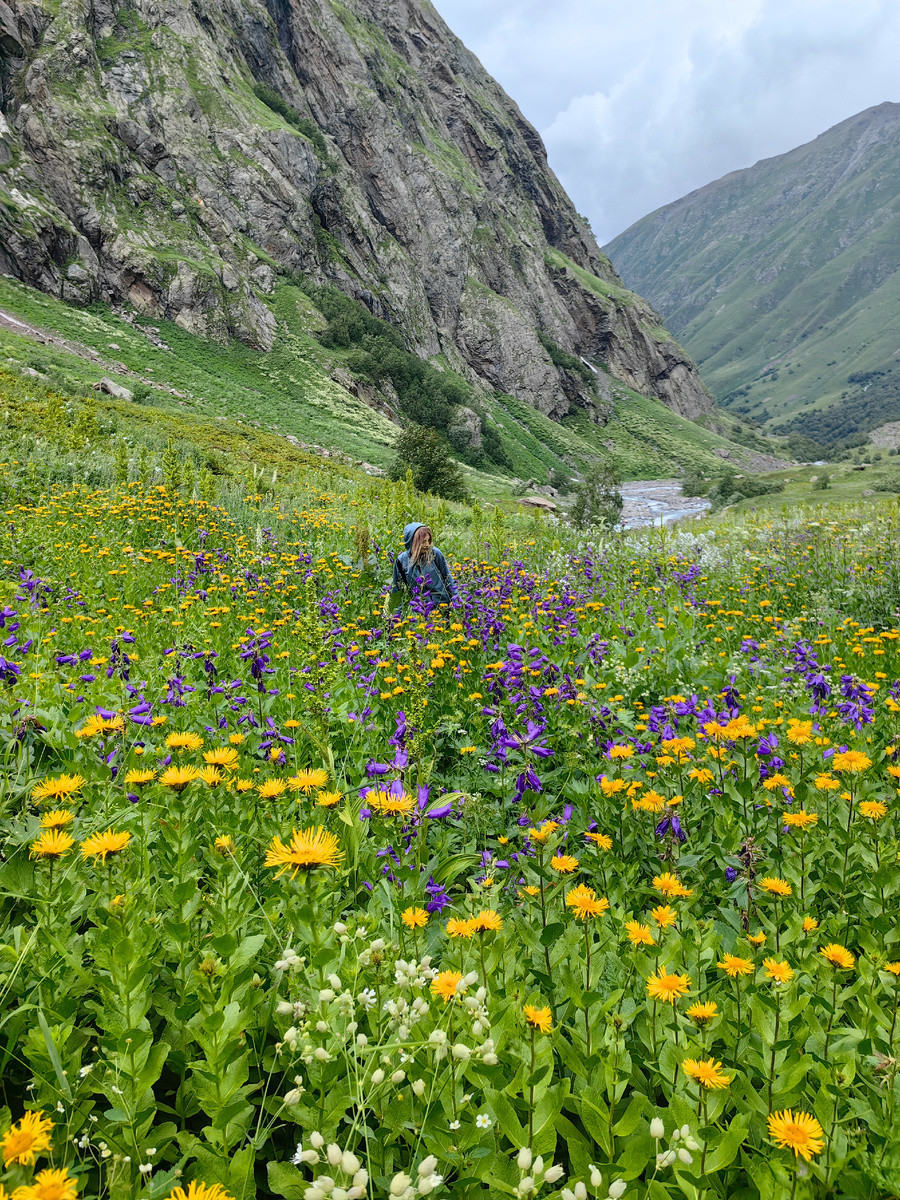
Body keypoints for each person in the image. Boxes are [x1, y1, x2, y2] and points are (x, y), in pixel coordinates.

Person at [386, 522, 457, 611]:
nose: (427, 545)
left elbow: (449, 580)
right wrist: (396, 617)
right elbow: (397, 592)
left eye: (428, 540)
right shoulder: (401, 561)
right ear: (413, 543)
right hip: (421, 611)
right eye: (423, 542)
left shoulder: (435, 554)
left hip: (443, 607)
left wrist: (456, 606)